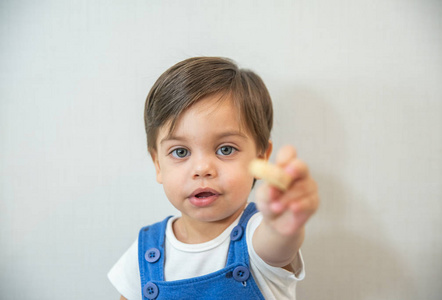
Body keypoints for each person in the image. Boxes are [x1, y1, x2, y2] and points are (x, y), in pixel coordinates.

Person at [108, 57, 319, 300]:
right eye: (180, 152)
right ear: (158, 164)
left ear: (260, 159)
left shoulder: (257, 235)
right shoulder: (145, 251)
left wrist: (284, 224)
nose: (202, 169)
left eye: (225, 149)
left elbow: (277, 243)